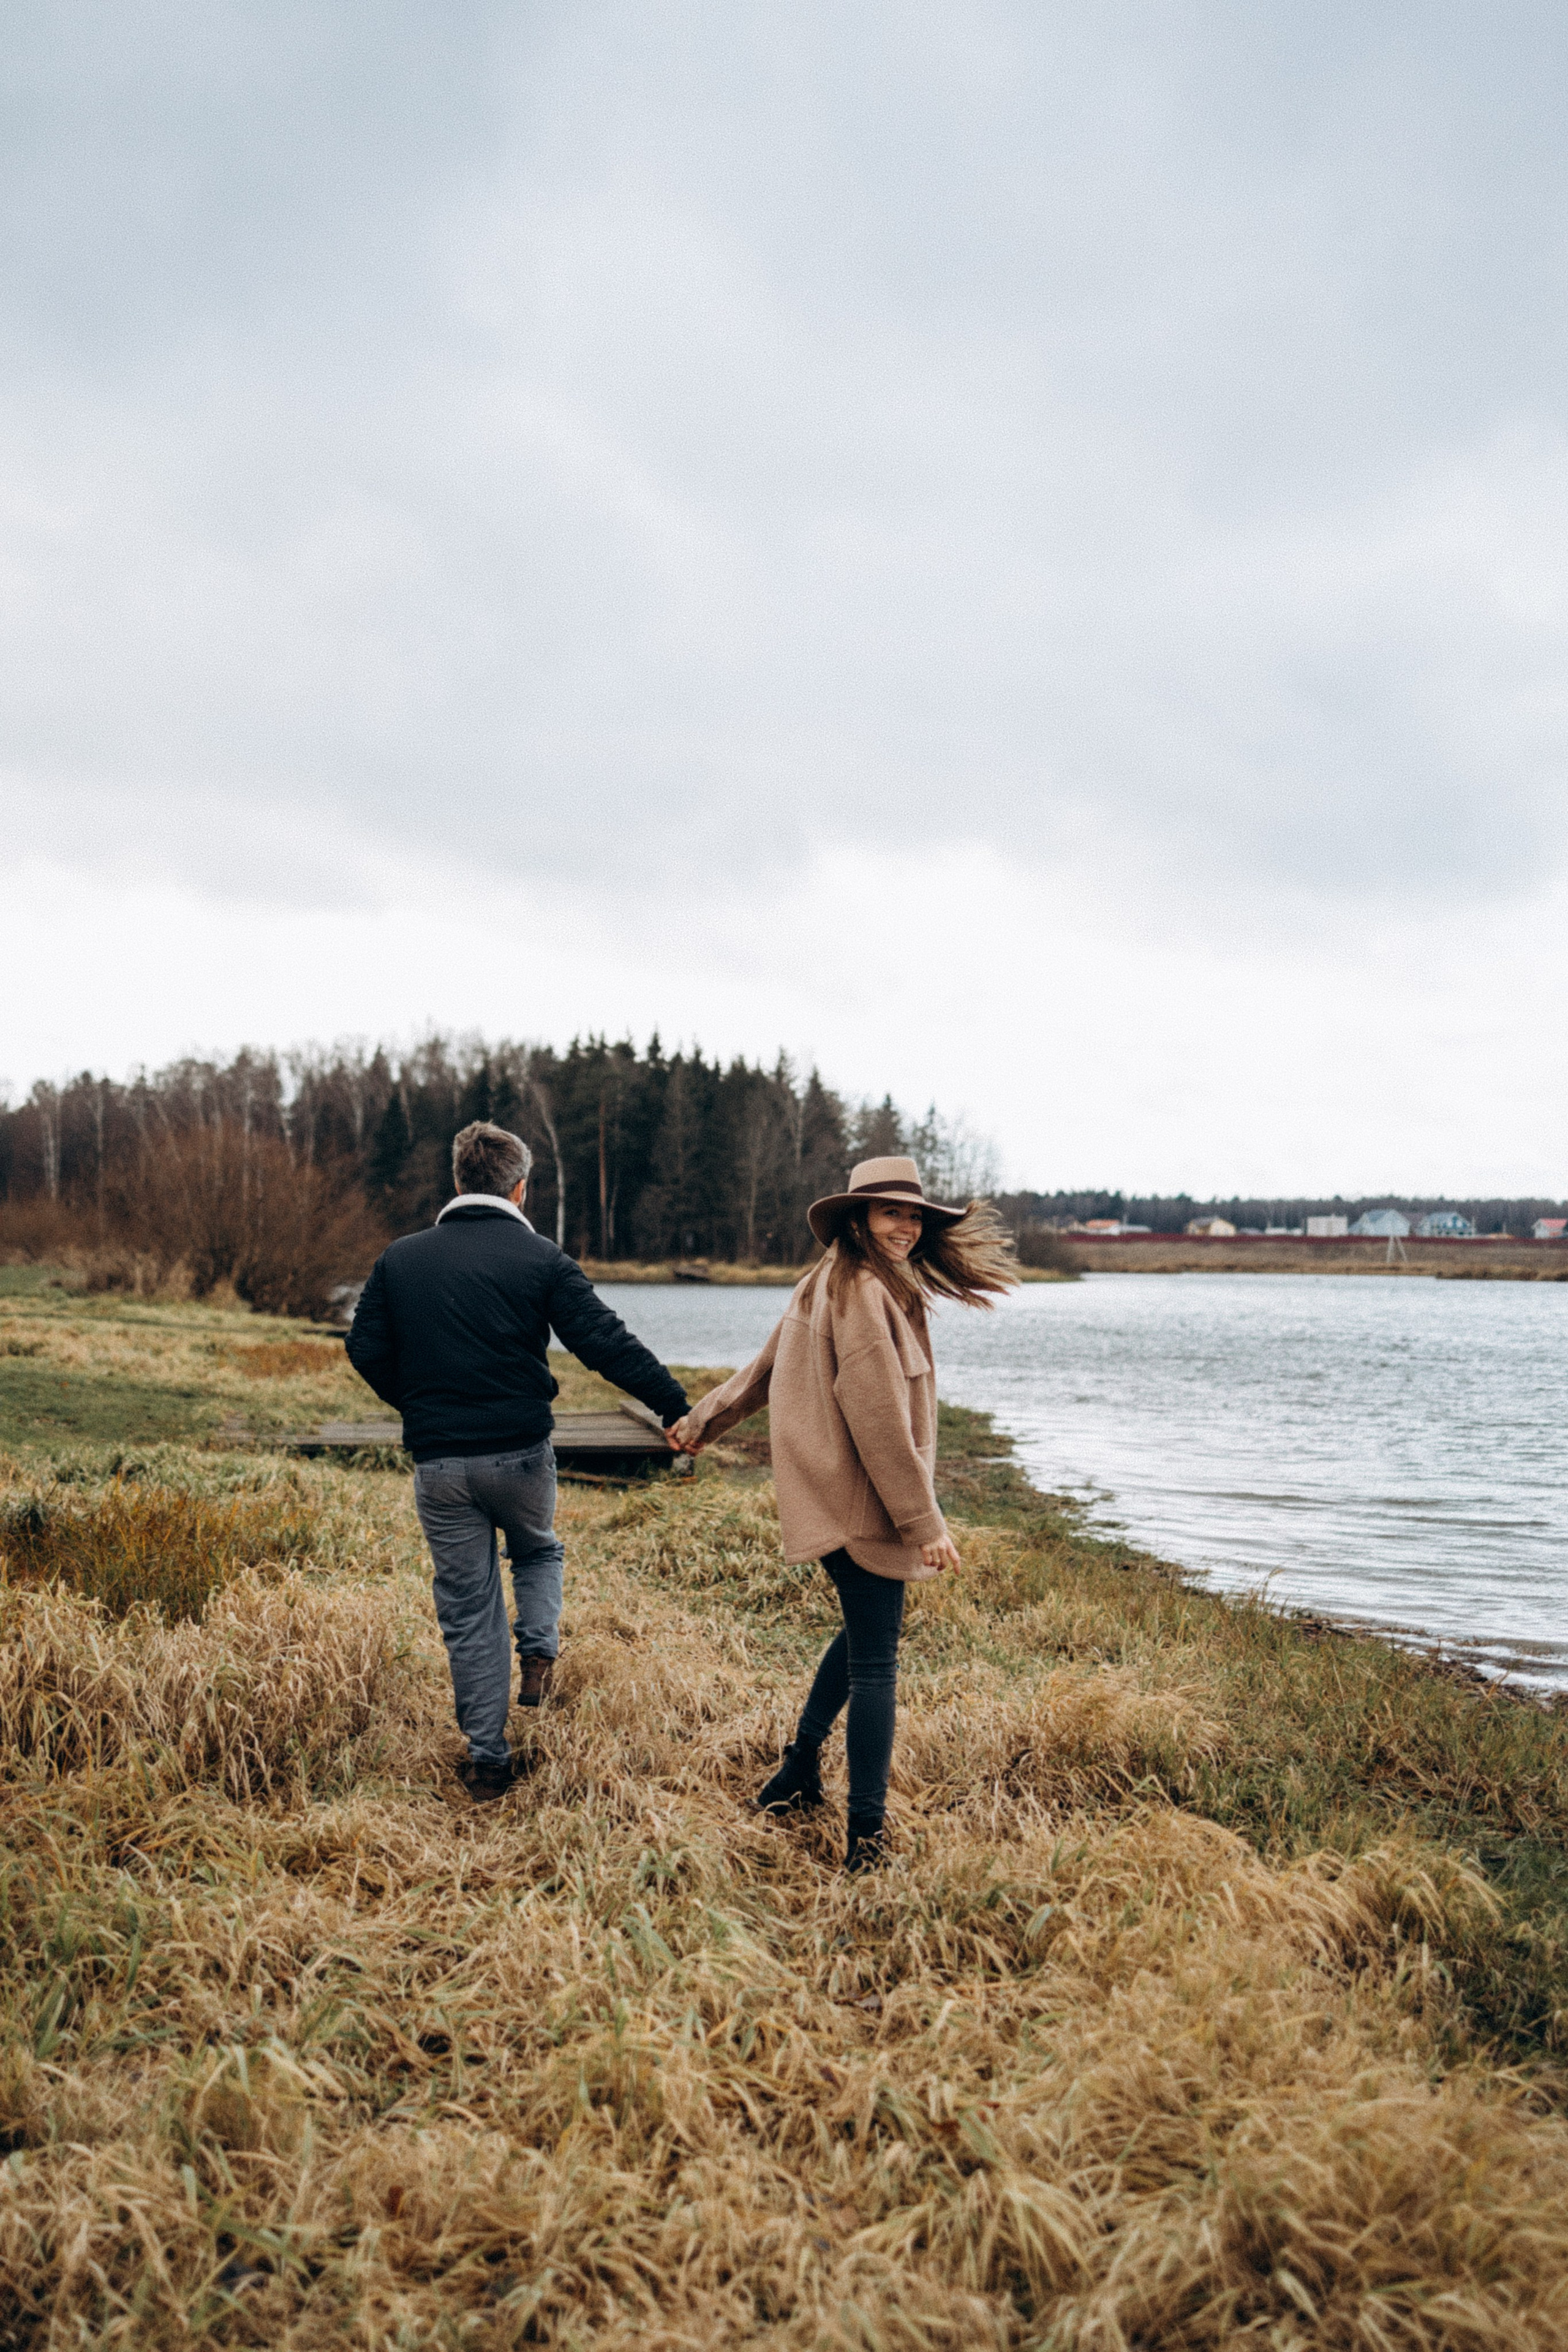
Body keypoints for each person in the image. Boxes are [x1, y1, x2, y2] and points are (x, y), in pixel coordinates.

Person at [668, 1155, 1016, 1869]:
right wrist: (925, 1523)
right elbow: (880, 1419)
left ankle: (796, 1773)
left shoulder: (833, 1280)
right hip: (860, 1501)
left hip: (840, 1495)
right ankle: (866, 1839)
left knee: (862, 1638)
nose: (907, 1227)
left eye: (914, 1215)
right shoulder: (860, 1291)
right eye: (892, 1213)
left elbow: (761, 1372)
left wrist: (705, 1419)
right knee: (878, 1665)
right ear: (858, 1217)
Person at [347, 1120, 691, 1802]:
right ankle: (538, 1651)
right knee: (536, 1552)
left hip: (441, 1465)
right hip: (521, 1455)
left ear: (457, 1181)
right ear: (521, 1188)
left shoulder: (400, 1258)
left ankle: (487, 1761)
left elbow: (364, 1348)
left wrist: (421, 1405)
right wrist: (675, 1407)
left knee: (468, 1608)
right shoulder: (541, 1259)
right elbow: (604, 1342)